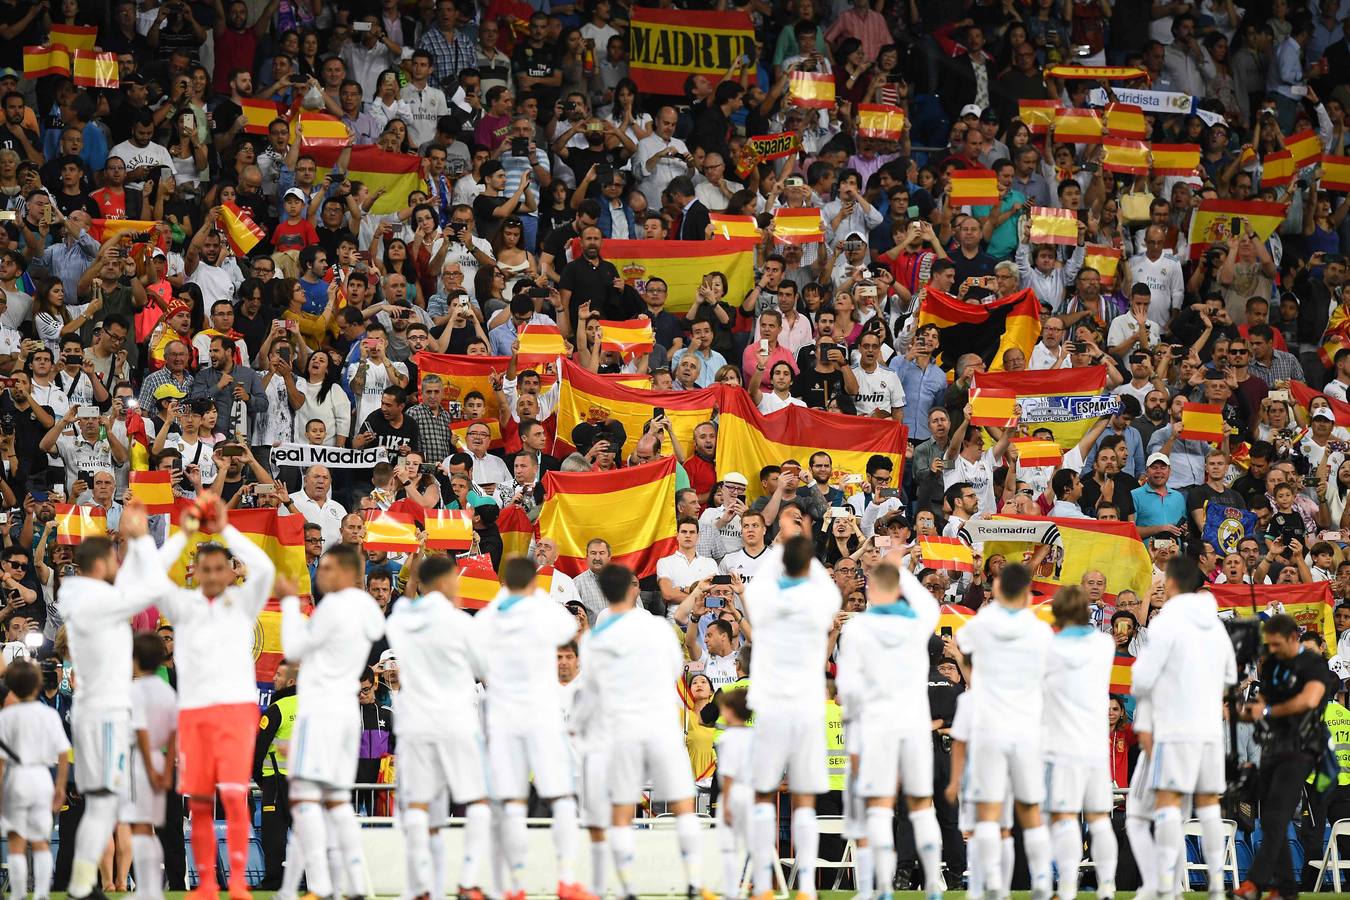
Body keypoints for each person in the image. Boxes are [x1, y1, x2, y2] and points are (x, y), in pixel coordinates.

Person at [144, 497, 276, 899]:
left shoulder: (242, 602)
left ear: (231, 572)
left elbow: (267, 567)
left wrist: (225, 529)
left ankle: (236, 881)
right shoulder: (182, 606)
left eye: (221, 567)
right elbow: (151, 572)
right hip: (194, 712)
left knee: (235, 797)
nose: (214, 574)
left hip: (236, 711)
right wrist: (184, 533)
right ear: (196, 571)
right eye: (206, 568)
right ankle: (204, 884)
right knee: (199, 802)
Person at [582, 562, 713, 899]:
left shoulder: (596, 640)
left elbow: (591, 688)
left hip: (622, 728)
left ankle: (627, 886)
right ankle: (695, 881)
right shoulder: (657, 628)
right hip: (660, 725)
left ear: (602, 593)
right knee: (684, 804)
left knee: (623, 807)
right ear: (633, 589)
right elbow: (674, 670)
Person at [57, 501, 160, 900]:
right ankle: (83, 886)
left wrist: (131, 546)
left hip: (92, 710)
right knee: (105, 801)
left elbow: (131, 586)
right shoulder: (96, 601)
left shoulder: (80, 596)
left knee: (101, 802)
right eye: (114, 558)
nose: (118, 563)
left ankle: (84, 885)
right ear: (101, 565)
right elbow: (149, 589)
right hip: (106, 714)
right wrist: (143, 540)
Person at [475, 556, 590, 900]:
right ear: (532, 584)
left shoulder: (486, 617)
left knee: (511, 803)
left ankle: (514, 885)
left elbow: (479, 664)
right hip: (541, 714)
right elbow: (569, 628)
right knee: (562, 797)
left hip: (505, 717)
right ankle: (567, 880)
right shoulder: (544, 611)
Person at [279, 544, 386, 900]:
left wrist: (291, 604)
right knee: (339, 801)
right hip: (345, 712)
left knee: (305, 798)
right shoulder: (368, 608)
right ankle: (354, 886)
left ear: (344, 572)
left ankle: (321, 887)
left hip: (321, 709)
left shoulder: (334, 607)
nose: (320, 574)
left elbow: (294, 650)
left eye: (326, 568)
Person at [384, 554, 493, 900]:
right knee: (476, 801)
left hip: (415, 722)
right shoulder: (462, 624)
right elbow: (484, 668)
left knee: (418, 806)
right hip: (456, 722)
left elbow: (404, 606)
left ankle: (421, 887)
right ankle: (469, 882)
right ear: (446, 582)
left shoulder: (401, 620)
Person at [1131, 555, 1238, 897]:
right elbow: (1232, 677)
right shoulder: (1215, 625)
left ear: (1172, 583)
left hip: (1175, 729)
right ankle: (1218, 887)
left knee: (1168, 803)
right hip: (1209, 729)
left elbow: (1143, 678)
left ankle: (1166, 885)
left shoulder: (1167, 623)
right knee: (1208, 805)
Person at [835, 559, 943, 897]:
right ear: (899, 590)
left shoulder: (857, 629)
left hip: (876, 724)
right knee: (922, 805)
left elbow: (849, 689)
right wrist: (901, 569)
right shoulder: (920, 623)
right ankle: (933, 885)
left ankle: (880, 886)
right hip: (913, 724)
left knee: (880, 806)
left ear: (870, 591)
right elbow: (927, 601)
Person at [744, 534, 842, 899]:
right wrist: (804, 552)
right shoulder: (820, 601)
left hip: (771, 707)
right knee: (803, 799)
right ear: (809, 566)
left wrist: (781, 547)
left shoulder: (765, 600)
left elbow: (758, 586)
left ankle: (765, 885)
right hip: (806, 708)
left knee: (763, 794)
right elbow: (828, 588)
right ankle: (804, 889)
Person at [954, 562, 1055, 895]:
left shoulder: (984, 624)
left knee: (991, 815)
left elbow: (962, 641)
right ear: (1027, 592)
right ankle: (1041, 882)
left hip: (990, 731)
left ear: (997, 589)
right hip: (1027, 731)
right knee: (1028, 811)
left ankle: (995, 887)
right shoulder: (1039, 630)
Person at [1234, 613, 1337, 899]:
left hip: (1302, 748)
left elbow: (1310, 699)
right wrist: (1239, 712)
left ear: (1294, 638)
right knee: (1269, 818)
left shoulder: (1313, 663)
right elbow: (1262, 702)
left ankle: (1255, 882)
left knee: (1278, 813)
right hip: (1274, 747)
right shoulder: (1275, 664)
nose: (1273, 650)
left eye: (1277, 644)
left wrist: (1268, 711)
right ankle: (1285, 889)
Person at [1043, 585, 1119, 899]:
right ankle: (1107, 888)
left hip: (1062, 745)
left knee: (1065, 817)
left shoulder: (1048, 647)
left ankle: (1068, 888)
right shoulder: (1105, 644)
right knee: (1100, 817)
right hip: (1094, 744)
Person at [0, 660, 71, 900]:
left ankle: (19, 894)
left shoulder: (6, 716)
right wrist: (60, 786)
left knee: (17, 841)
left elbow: (0, 763)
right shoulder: (49, 714)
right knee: (41, 840)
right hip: (42, 777)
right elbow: (63, 754)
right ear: (37, 683)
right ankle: (41, 894)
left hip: (17, 778)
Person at [121, 633, 177, 900]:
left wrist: (147, 767)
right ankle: (153, 888)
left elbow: (140, 730)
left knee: (141, 827)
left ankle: (147, 890)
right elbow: (176, 733)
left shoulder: (135, 689)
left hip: (141, 761)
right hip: (162, 758)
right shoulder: (167, 690)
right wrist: (166, 769)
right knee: (153, 826)